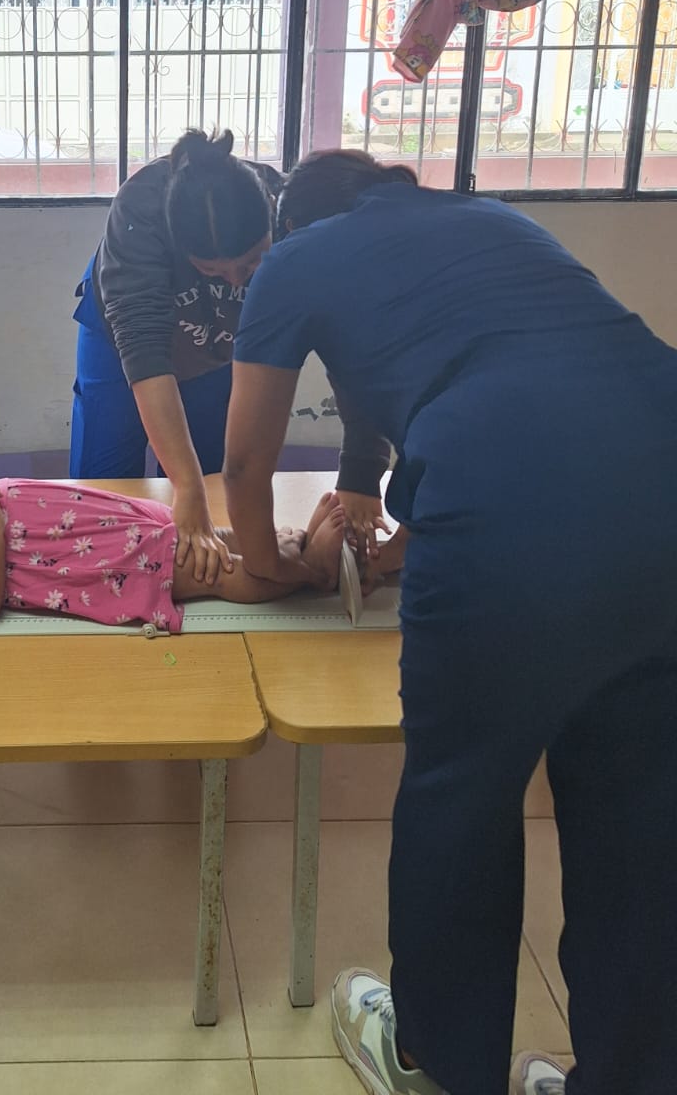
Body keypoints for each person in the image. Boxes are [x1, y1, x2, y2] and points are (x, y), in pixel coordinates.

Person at [222, 149, 677, 1095]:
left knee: (463, 791)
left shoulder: (293, 259)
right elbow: (524, 394)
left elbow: (247, 461)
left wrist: (268, 570)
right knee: (639, 807)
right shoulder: (494, 221)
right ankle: (630, 1076)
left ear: (295, 225)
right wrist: (390, 535)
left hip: (503, 500)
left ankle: (436, 1061)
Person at [69, 128, 393, 584]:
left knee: (216, 479)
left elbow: (347, 342)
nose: (237, 281)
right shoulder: (140, 215)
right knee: (105, 483)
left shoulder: (295, 213)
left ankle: (255, 564)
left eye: (250, 264)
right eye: (213, 270)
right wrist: (185, 487)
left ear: (276, 228)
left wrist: (362, 467)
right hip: (119, 343)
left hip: (219, 345)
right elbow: (144, 352)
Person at [0, 471, 352, 631]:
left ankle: (286, 546)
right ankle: (312, 574)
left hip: (113, 522)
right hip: (112, 562)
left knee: (216, 538)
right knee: (218, 572)